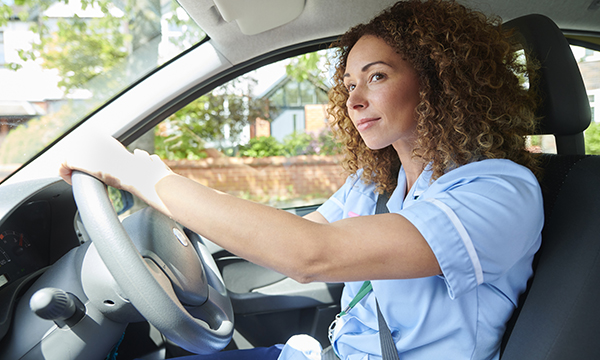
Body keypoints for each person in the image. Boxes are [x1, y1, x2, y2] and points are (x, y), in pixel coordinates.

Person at [59, 0, 544, 359]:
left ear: (439, 79)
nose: (354, 100)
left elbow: (312, 254)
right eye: (349, 84)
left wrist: (142, 175)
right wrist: (175, 229)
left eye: (375, 77)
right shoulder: (380, 183)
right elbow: (296, 235)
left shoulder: (500, 193)